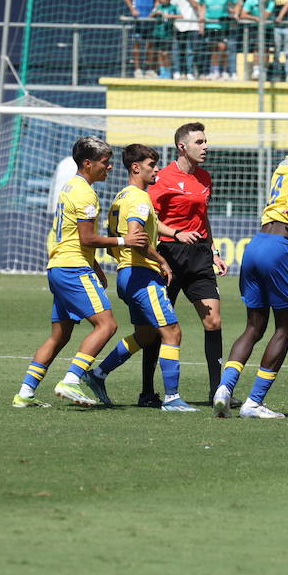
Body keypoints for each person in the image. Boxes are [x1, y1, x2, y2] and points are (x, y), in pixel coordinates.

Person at [13, 136, 145, 408]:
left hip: (60, 266)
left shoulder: (70, 187)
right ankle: (71, 381)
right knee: (107, 324)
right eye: (105, 163)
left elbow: (73, 235)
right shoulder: (86, 193)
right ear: (88, 163)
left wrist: (95, 265)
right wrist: (124, 241)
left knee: (60, 335)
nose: (109, 168)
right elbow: (87, 238)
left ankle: (25, 393)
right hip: (73, 268)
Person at [213, 122, 288, 419]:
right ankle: (254, 402)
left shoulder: (285, 163)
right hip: (280, 249)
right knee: (285, 327)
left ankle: (224, 389)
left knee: (254, 326)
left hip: (257, 243)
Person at [83, 145, 195, 412]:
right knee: (172, 332)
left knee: (145, 335)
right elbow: (135, 236)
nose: (156, 169)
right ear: (136, 167)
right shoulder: (139, 199)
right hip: (142, 275)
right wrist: (161, 260)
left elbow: (117, 241)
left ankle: (98, 375)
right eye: (151, 165)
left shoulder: (121, 197)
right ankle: (172, 398)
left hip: (126, 274)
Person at [144, 122, 228, 406]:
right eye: (200, 142)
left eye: (206, 142)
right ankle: (147, 391)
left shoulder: (204, 177)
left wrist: (214, 251)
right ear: (183, 146)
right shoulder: (163, 178)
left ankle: (218, 391)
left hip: (200, 254)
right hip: (168, 254)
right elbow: (150, 220)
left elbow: (204, 218)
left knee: (213, 321)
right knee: (160, 325)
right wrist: (177, 234)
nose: (206, 147)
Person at [200, 0, 238, 80]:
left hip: (223, 24)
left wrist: (235, 14)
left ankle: (225, 71)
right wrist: (201, 22)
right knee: (213, 49)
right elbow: (201, 5)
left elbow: (237, 3)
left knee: (223, 47)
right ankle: (215, 71)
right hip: (210, 24)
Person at [124, 0, 158, 77]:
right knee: (137, 43)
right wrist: (133, 10)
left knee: (151, 44)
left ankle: (149, 69)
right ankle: (137, 69)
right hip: (139, 19)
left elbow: (157, 0)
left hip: (150, 19)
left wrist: (154, 12)